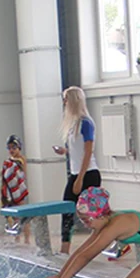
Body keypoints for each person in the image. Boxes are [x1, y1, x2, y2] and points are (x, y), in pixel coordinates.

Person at [54, 86, 102, 255]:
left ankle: (108, 242)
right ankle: (64, 249)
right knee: (67, 210)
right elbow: (78, 150)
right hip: (76, 174)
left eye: (66, 99)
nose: (64, 103)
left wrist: (80, 178)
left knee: (92, 214)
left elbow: (89, 151)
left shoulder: (86, 123)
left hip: (88, 174)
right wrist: (65, 152)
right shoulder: (73, 124)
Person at [0, 134, 31, 244]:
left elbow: (21, 174)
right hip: (10, 192)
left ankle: (27, 239)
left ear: (19, 148)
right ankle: (17, 238)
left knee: (24, 215)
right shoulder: (8, 161)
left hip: (18, 191)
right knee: (14, 217)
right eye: (9, 148)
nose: (11, 150)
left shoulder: (21, 160)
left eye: (14, 147)